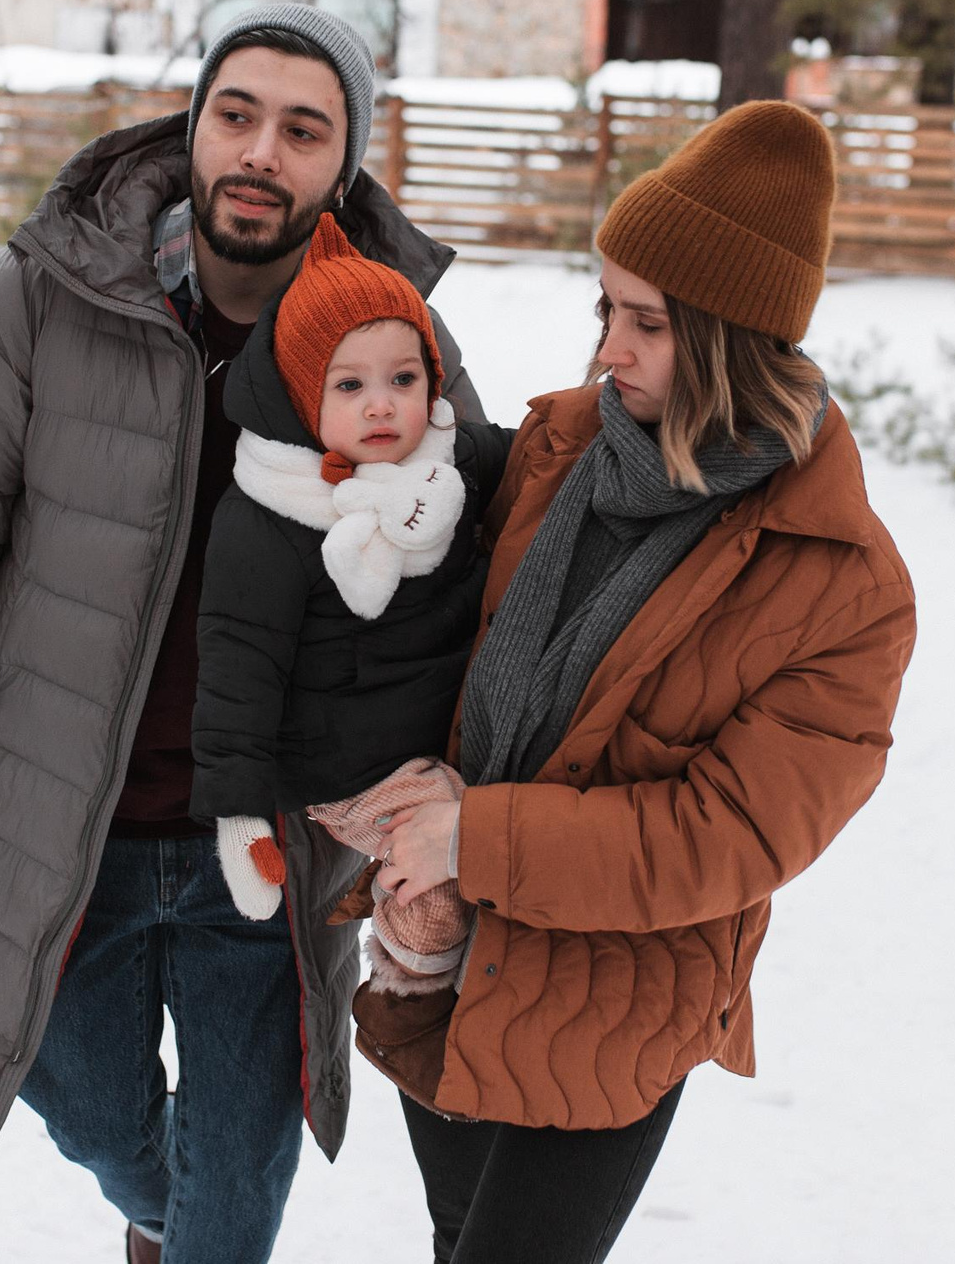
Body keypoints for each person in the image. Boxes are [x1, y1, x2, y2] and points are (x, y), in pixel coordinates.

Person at [0, 4, 483, 1264]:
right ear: (193, 122)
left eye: (304, 130)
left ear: (342, 165)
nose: (261, 152)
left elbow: (463, 545)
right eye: (236, 114)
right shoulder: (39, 293)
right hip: (58, 827)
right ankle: (157, 1214)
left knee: (237, 1198)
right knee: (90, 1113)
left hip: (270, 838)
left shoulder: (389, 337)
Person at [356, 100, 919, 1264]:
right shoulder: (554, 450)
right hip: (454, 949)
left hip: (619, 1004)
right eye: (603, 307)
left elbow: (723, 841)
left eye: (647, 324)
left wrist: (478, 836)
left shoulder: (841, 586)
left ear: (731, 340)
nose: (607, 348)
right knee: (456, 1232)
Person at [188, 213, 511, 994]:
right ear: (306, 395)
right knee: (441, 899)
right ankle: (412, 983)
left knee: (527, 848)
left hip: (456, 725)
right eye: (350, 384)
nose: (381, 406)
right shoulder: (270, 512)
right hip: (355, 766)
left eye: (403, 379)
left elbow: (538, 455)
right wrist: (242, 818)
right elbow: (239, 667)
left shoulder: (447, 457)